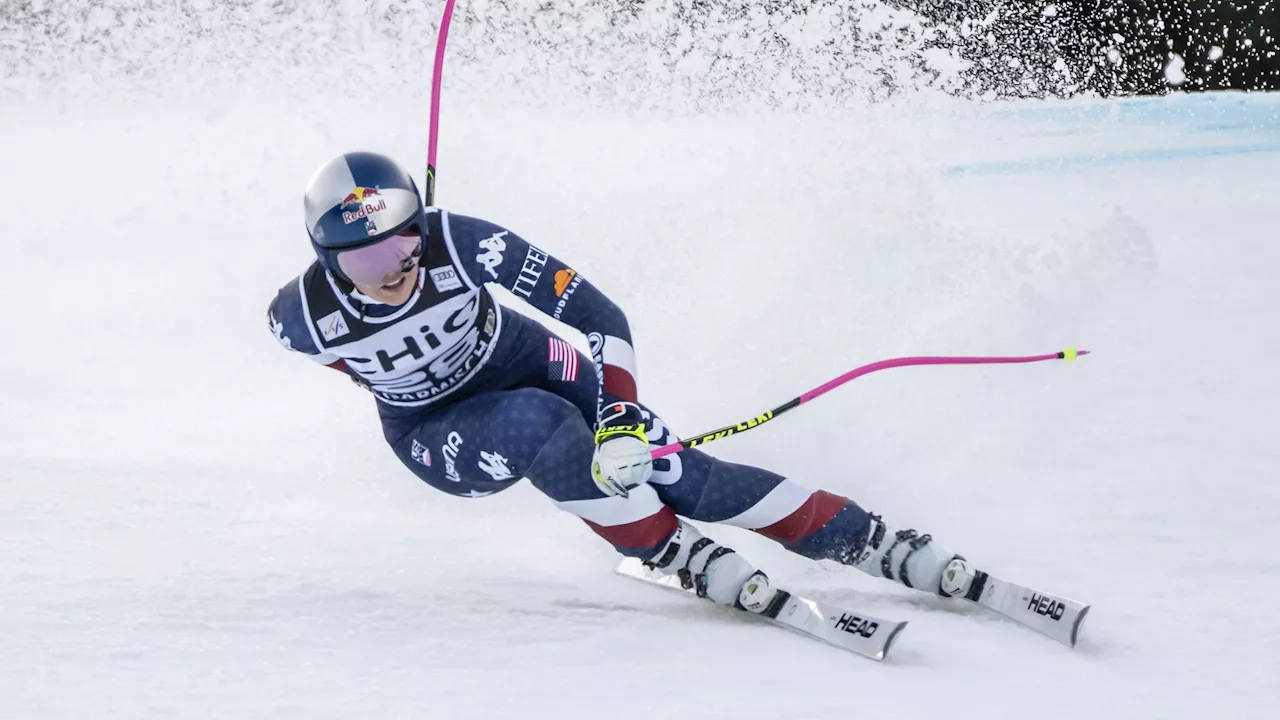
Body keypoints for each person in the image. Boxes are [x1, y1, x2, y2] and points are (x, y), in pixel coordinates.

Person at [268, 152, 976, 613]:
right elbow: (339, 361)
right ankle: (669, 550)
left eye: (403, 243)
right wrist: (398, 383)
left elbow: (596, 314)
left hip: (524, 354)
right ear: (326, 261)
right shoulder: (298, 317)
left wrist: (622, 420)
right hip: (431, 429)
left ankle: (869, 540)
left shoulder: (459, 239)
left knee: (677, 470)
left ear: (421, 224)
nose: (392, 270)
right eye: (364, 264)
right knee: (539, 424)